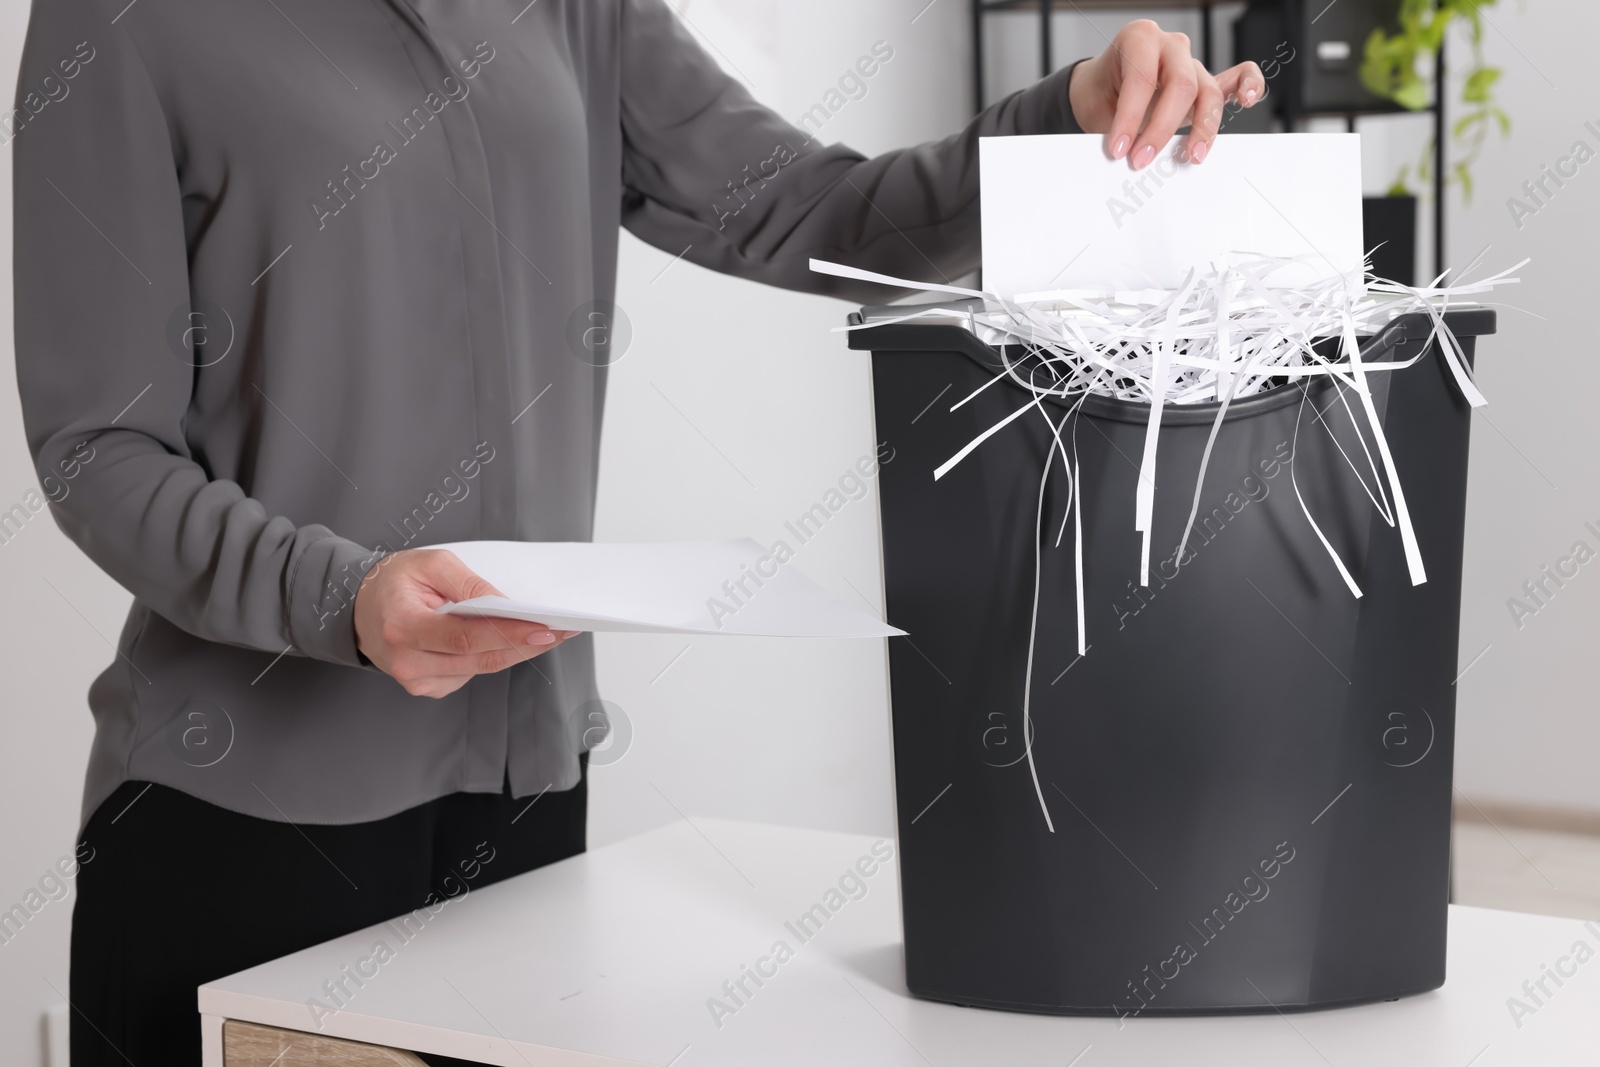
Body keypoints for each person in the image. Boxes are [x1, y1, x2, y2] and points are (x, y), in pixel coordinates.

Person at [10, 0, 1262, 1061]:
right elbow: (96, 449)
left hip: (523, 805)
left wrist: (1068, 115)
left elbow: (813, 212)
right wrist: (337, 593)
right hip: (243, 822)